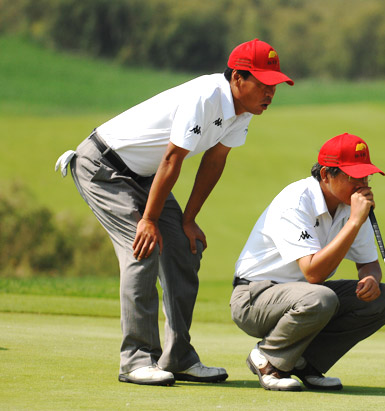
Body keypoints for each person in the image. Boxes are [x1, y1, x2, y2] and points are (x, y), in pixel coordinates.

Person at [54, 39, 293, 386]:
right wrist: (148, 220)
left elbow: (215, 160)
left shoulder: (242, 112)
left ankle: (178, 356)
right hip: (104, 168)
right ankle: (136, 359)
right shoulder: (206, 97)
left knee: (183, 246)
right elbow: (173, 159)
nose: (271, 93)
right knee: (143, 249)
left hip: (145, 176)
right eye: (264, 84)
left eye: (275, 86)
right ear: (239, 78)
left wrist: (188, 219)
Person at [230, 133, 385, 391]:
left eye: (365, 176)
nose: (362, 184)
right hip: (254, 298)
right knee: (320, 297)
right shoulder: (296, 202)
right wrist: (354, 221)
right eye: (353, 176)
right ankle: (267, 357)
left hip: (304, 297)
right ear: (325, 175)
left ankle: (303, 362)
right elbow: (313, 273)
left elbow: (369, 264)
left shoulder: (350, 205)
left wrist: (371, 279)